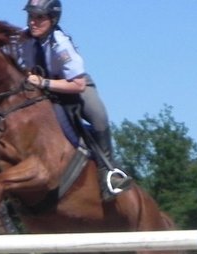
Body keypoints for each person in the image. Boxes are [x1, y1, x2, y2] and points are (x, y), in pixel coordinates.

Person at [14, 0, 129, 198]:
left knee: (98, 115)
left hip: (72, 87)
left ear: (52, 19)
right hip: (41, 89)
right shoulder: (23, 37)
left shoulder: (61, 43)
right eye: (31, 16)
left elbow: (78, 84)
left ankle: (109, 172)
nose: (33, 22)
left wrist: (43, 83)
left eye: (39, 17)